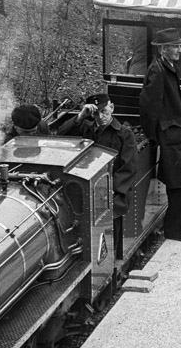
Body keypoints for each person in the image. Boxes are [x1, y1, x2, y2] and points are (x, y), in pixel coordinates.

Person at [57, 92, 143, 256]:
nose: (101, 117)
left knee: (110, 220)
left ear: (112, 108)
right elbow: (61, 135)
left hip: (113, 193)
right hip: (85, 190)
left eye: (105, 111)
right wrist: (80, 116)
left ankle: (112, 259)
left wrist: (107, 189)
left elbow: (128, 168)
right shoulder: (85, 128)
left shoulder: (124, 135)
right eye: (96, 113)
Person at [138, 27, 181, 242]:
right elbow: (149, 106)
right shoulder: (158, 70)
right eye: (176, 47)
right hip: (170, 136)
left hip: (175, 133)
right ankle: (175, 230)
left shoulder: (165, 66)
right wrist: (156, 135)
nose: (180, 51)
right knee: (180, 183)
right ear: (164, 49)